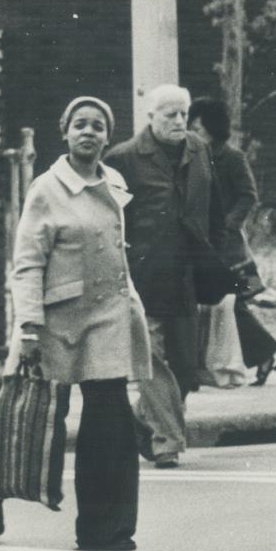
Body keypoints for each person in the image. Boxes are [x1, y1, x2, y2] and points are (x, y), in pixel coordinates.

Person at [0, 97, 152, 551]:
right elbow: (27, 264)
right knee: (31, 421)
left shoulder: (115, 182)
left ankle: (104, 529)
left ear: (108, 137)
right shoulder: (46, 189)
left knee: (110, 422)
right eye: (80, 125)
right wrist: (29, 326)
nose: (88, 132)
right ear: (65, 132)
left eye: (97, 126)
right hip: (56, 321)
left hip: (108, 317)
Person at [105, 84, 214, 470]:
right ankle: (167, 441)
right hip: (143, 273)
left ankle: (140, 418)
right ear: (150, 117)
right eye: (170, 114)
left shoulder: (199, 150)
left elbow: (209, 207)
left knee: (186, 366)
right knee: (151, 358)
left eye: (183, 113)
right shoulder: (123, 158)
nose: (179, 121)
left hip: (187, 271)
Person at [189, 96, 276, 386]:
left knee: (231, 302)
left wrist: (227, 225)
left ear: (212, 128)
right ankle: (256, 355)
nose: (193, 133)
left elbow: (248, 195)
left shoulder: (231, 157)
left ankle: (264, 353)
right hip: (203, 245)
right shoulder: (194, 156)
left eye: (198, 127)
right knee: (224, 304)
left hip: (228, 249)